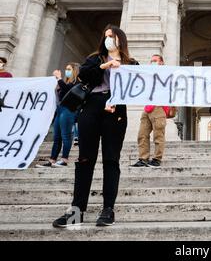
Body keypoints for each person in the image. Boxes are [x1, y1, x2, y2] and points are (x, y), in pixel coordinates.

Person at [52, 24, 138, 228]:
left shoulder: (131, 63)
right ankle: (76, 211)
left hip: (115, 111)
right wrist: (104, 66)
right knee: (84, 159)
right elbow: (83, 76)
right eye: (106, 36)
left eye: (112, 36)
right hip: (91, 107)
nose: (108, 39)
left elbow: (136, 86)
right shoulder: (95, 58)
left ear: (120, 39)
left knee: (111, 160)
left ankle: (108, 209)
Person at [36, 63, 80, 168]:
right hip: (60, 110)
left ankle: (64, 159)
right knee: (57, 137)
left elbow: (67, 90)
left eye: (69, 69)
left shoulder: (77, 83)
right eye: (66, 69)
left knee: (65, 136)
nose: (66, 71)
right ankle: (52, 160)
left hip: (68, 110)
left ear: (74, 71)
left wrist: (59, 78)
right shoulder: (65, 82)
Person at [132, 54, 169, 168]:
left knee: (158, 135)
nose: (152, 62)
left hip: (159, 107)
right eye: (151, 61)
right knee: (142, 134)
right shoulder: (149, 74)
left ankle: (157, 159)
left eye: (155, 60)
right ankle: (143, 158)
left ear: (161, 63)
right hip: (147, 108)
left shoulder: (166, 74)